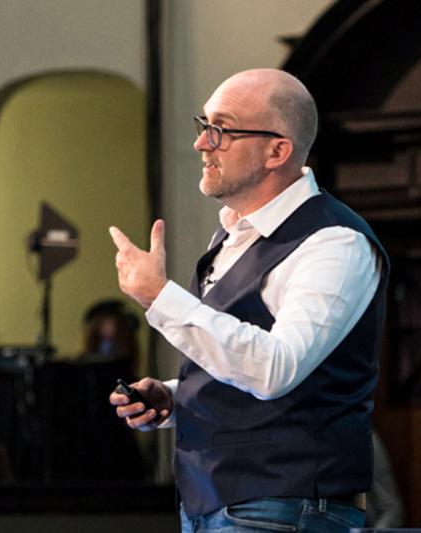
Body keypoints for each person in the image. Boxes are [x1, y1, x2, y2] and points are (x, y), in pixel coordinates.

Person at [108, 68, 390, 533]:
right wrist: (175, 400)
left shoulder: (334, 242)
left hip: (282, 508)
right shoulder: (231, 238)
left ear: (278, 149)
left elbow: (275, 368)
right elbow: (247, 369)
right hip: (213, 504)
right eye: (204, 127)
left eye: (221, 130)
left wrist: (159, 296)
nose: (202, 144)